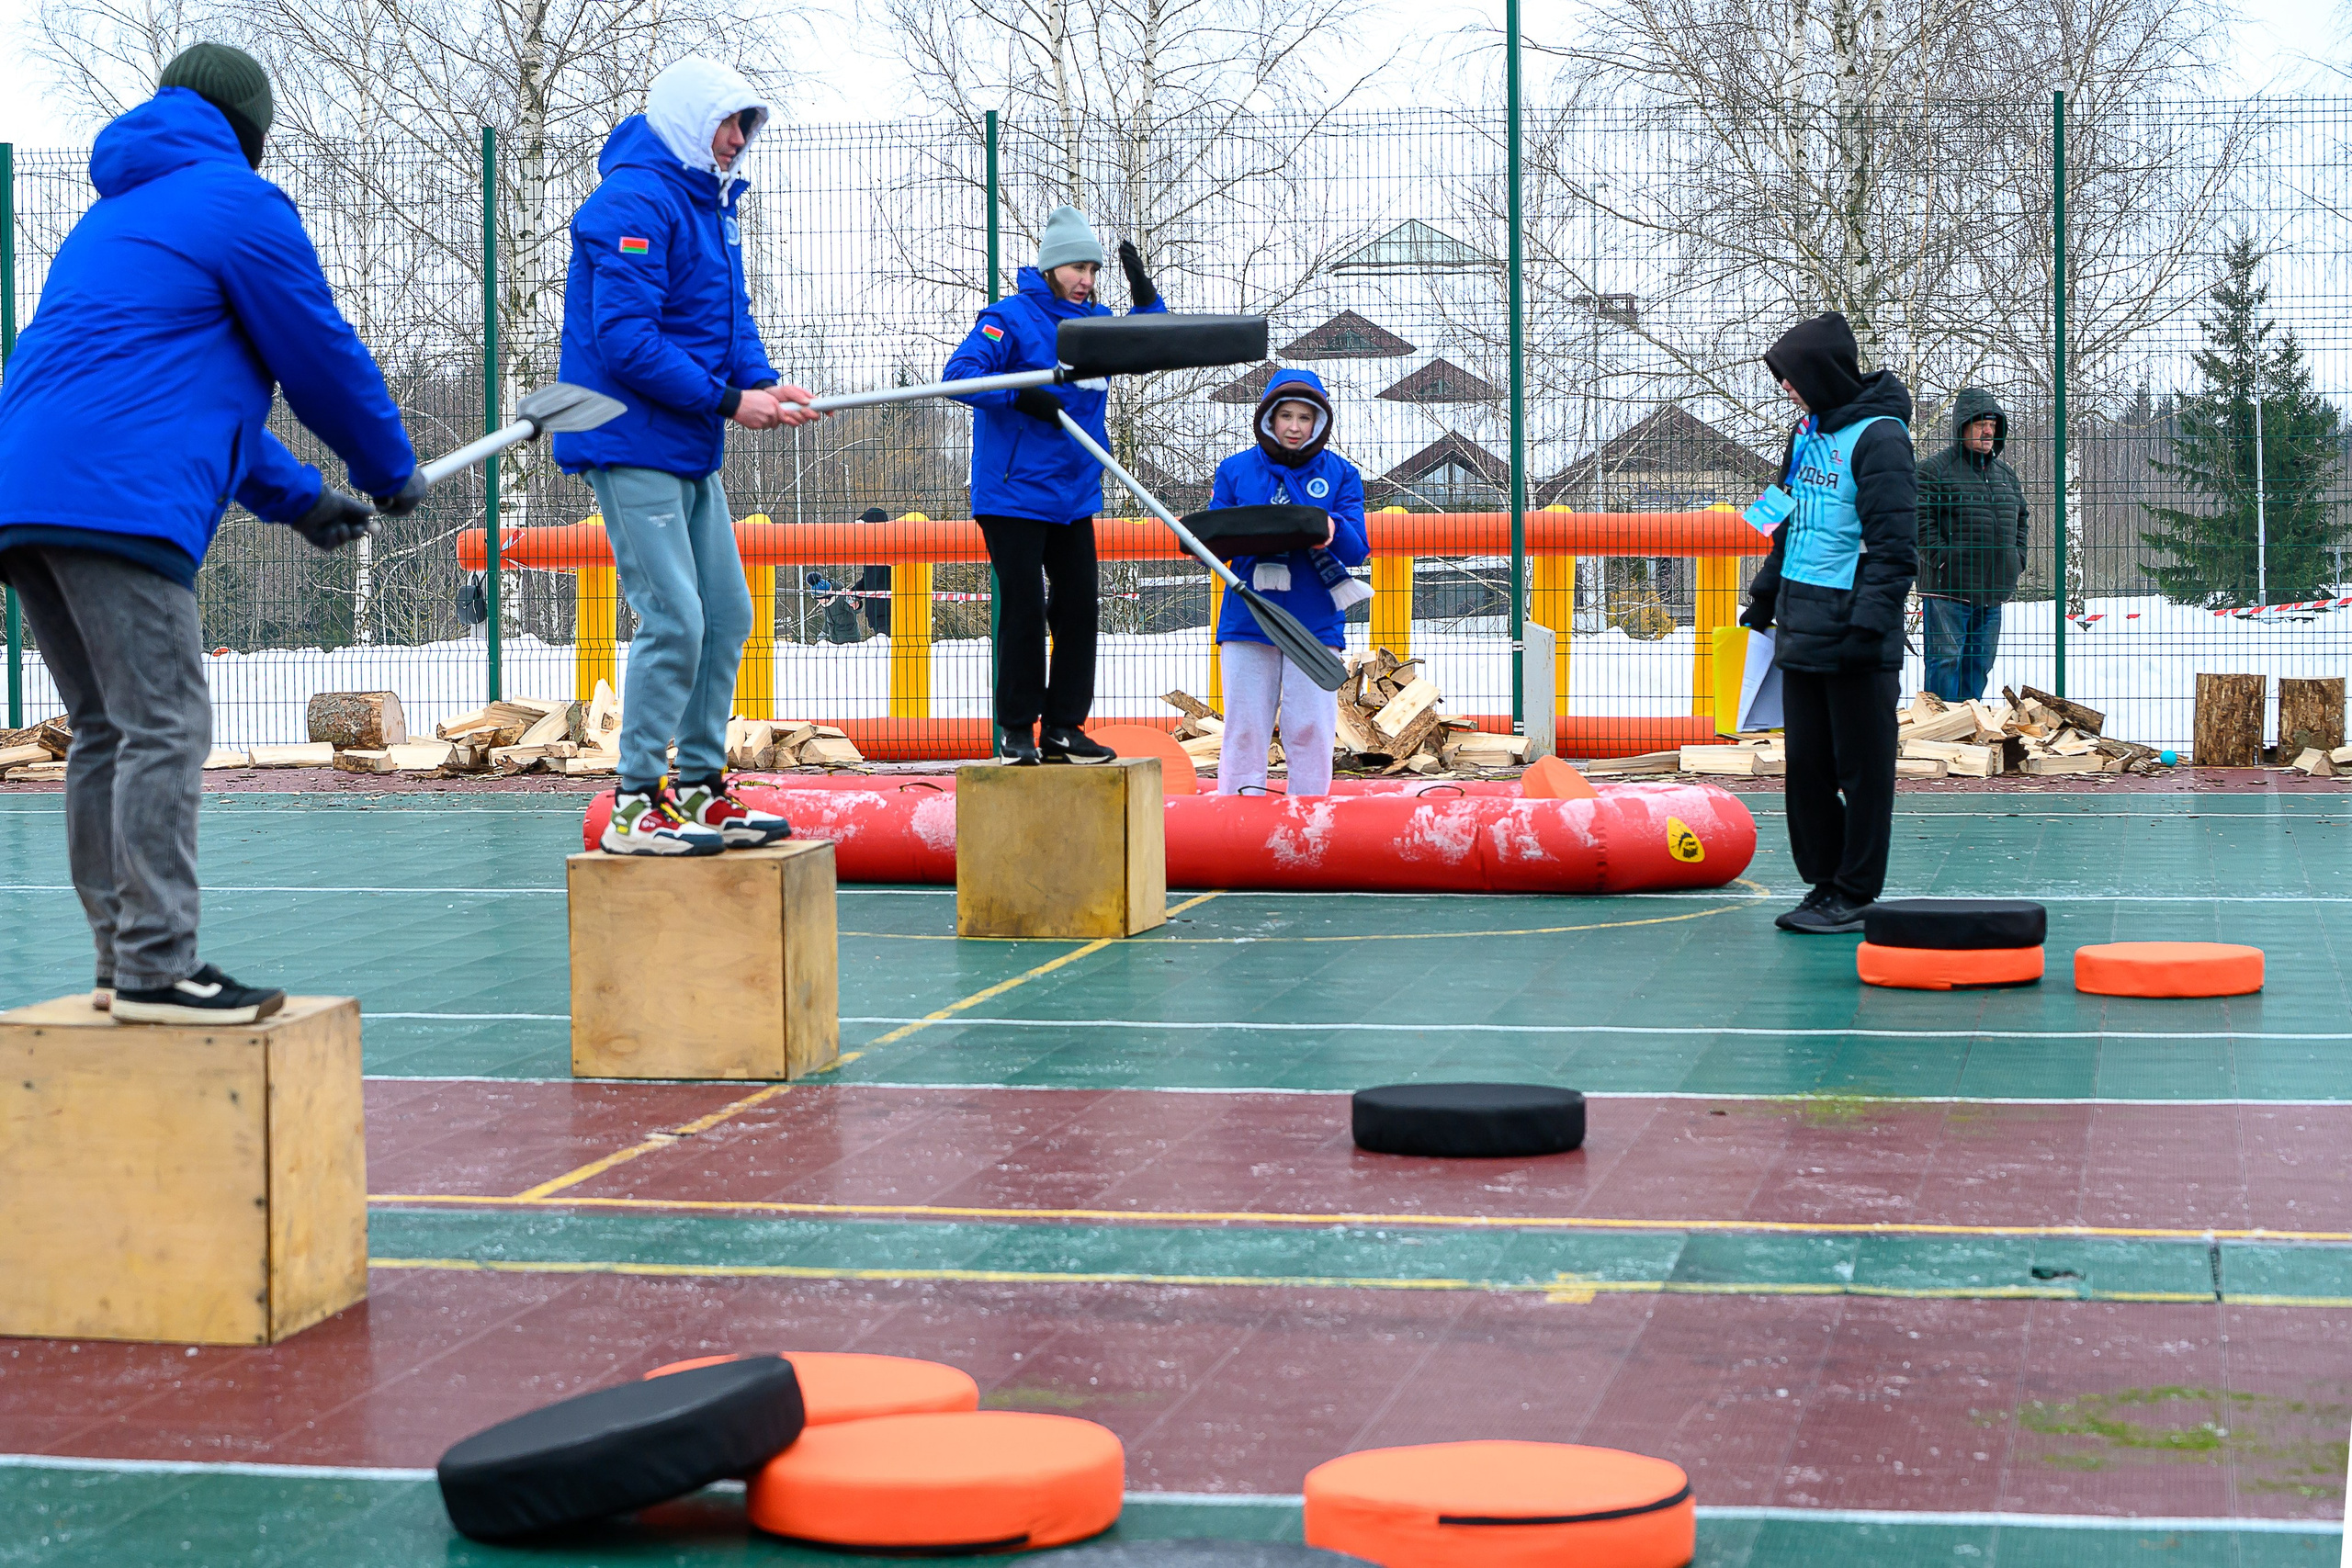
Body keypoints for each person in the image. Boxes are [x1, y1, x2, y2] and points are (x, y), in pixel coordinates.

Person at [0, 44, 420, 1025]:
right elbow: (316, 350)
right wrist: (386, 463)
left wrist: (306, 499)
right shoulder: (239, 202)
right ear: (253, 130)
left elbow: (185, 404)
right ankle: (156, 966)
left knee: (108, 729)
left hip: (28, 495)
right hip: (118, 501)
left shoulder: (111, 218)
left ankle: (123, 959)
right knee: (166, 723)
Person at [555, 55, 824, 854]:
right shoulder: (632, 199)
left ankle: (702, 791)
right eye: (728, 122)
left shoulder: (710, 204)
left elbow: (729, 324)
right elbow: (627, 342)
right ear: (687, 117)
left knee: (727, 614)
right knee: (674, 615)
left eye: (747, 126)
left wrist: (767, 383)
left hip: (687, 442)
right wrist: (729, 401)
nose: (739, 140)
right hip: (631, 438)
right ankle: (637, 802)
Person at [943, 206, 1165, 764]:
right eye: (1075, 270)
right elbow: (959, 377)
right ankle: (1017, 730)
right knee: (1022, 606)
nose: (1086, 280)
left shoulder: (1096, 322)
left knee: (1078, 606)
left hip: (1075, 493)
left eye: (1093, 270)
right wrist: (1020, 394)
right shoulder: (1008, 319)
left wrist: (1146, 297)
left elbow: (1153, 343)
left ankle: (1064, 727)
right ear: (1050, 270)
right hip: (1014, 493)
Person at [1739, 311, 1917, 934]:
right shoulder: (1806, 432)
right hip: (1802, 627)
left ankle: (1855, 891)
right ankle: (1822, 884)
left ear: (1821, 372)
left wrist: (1869, 624)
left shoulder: (1882, 437)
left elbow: (1896, 550)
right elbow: (1789, 521)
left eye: (1792, 377)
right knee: (1807, 770)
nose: (1787, 388)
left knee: (1862, 774)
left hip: (1857, 638)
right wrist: (1765, 599)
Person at [1207, 369, 1369, 797]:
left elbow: (1356, 552)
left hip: (1315, 620)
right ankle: (1237, 823)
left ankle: (1310, 820)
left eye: (1305, 418)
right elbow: (1213, 546)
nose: (1295, 427)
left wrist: (1327, 526)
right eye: (1286, 417)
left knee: (1311, 728)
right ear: (1268, 419)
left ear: (1319, 423)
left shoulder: (1341, 474)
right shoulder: (1235, 470)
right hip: (1250, 615)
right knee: (1245, 729)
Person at [1915, 388, 2029, 702]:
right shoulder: (1934, 470)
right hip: (1948, 590)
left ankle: (1969, 729)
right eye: (1980, 424)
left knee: (1979, 665)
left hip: (1992, 591)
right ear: (1961, 427)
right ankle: (1941, 736)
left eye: (1993, 423)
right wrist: (1943, 559)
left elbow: (2022, 518)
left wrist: (2017, 559)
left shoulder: (2006, 476)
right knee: (1946, 662)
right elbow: (1918, 521)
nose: (1988, 430)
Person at [853, 506, 893, 637]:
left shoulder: (891, 551)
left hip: (889, 615)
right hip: (876, 616)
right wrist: (854, 593)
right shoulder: (870, 553)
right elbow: (868, 580)